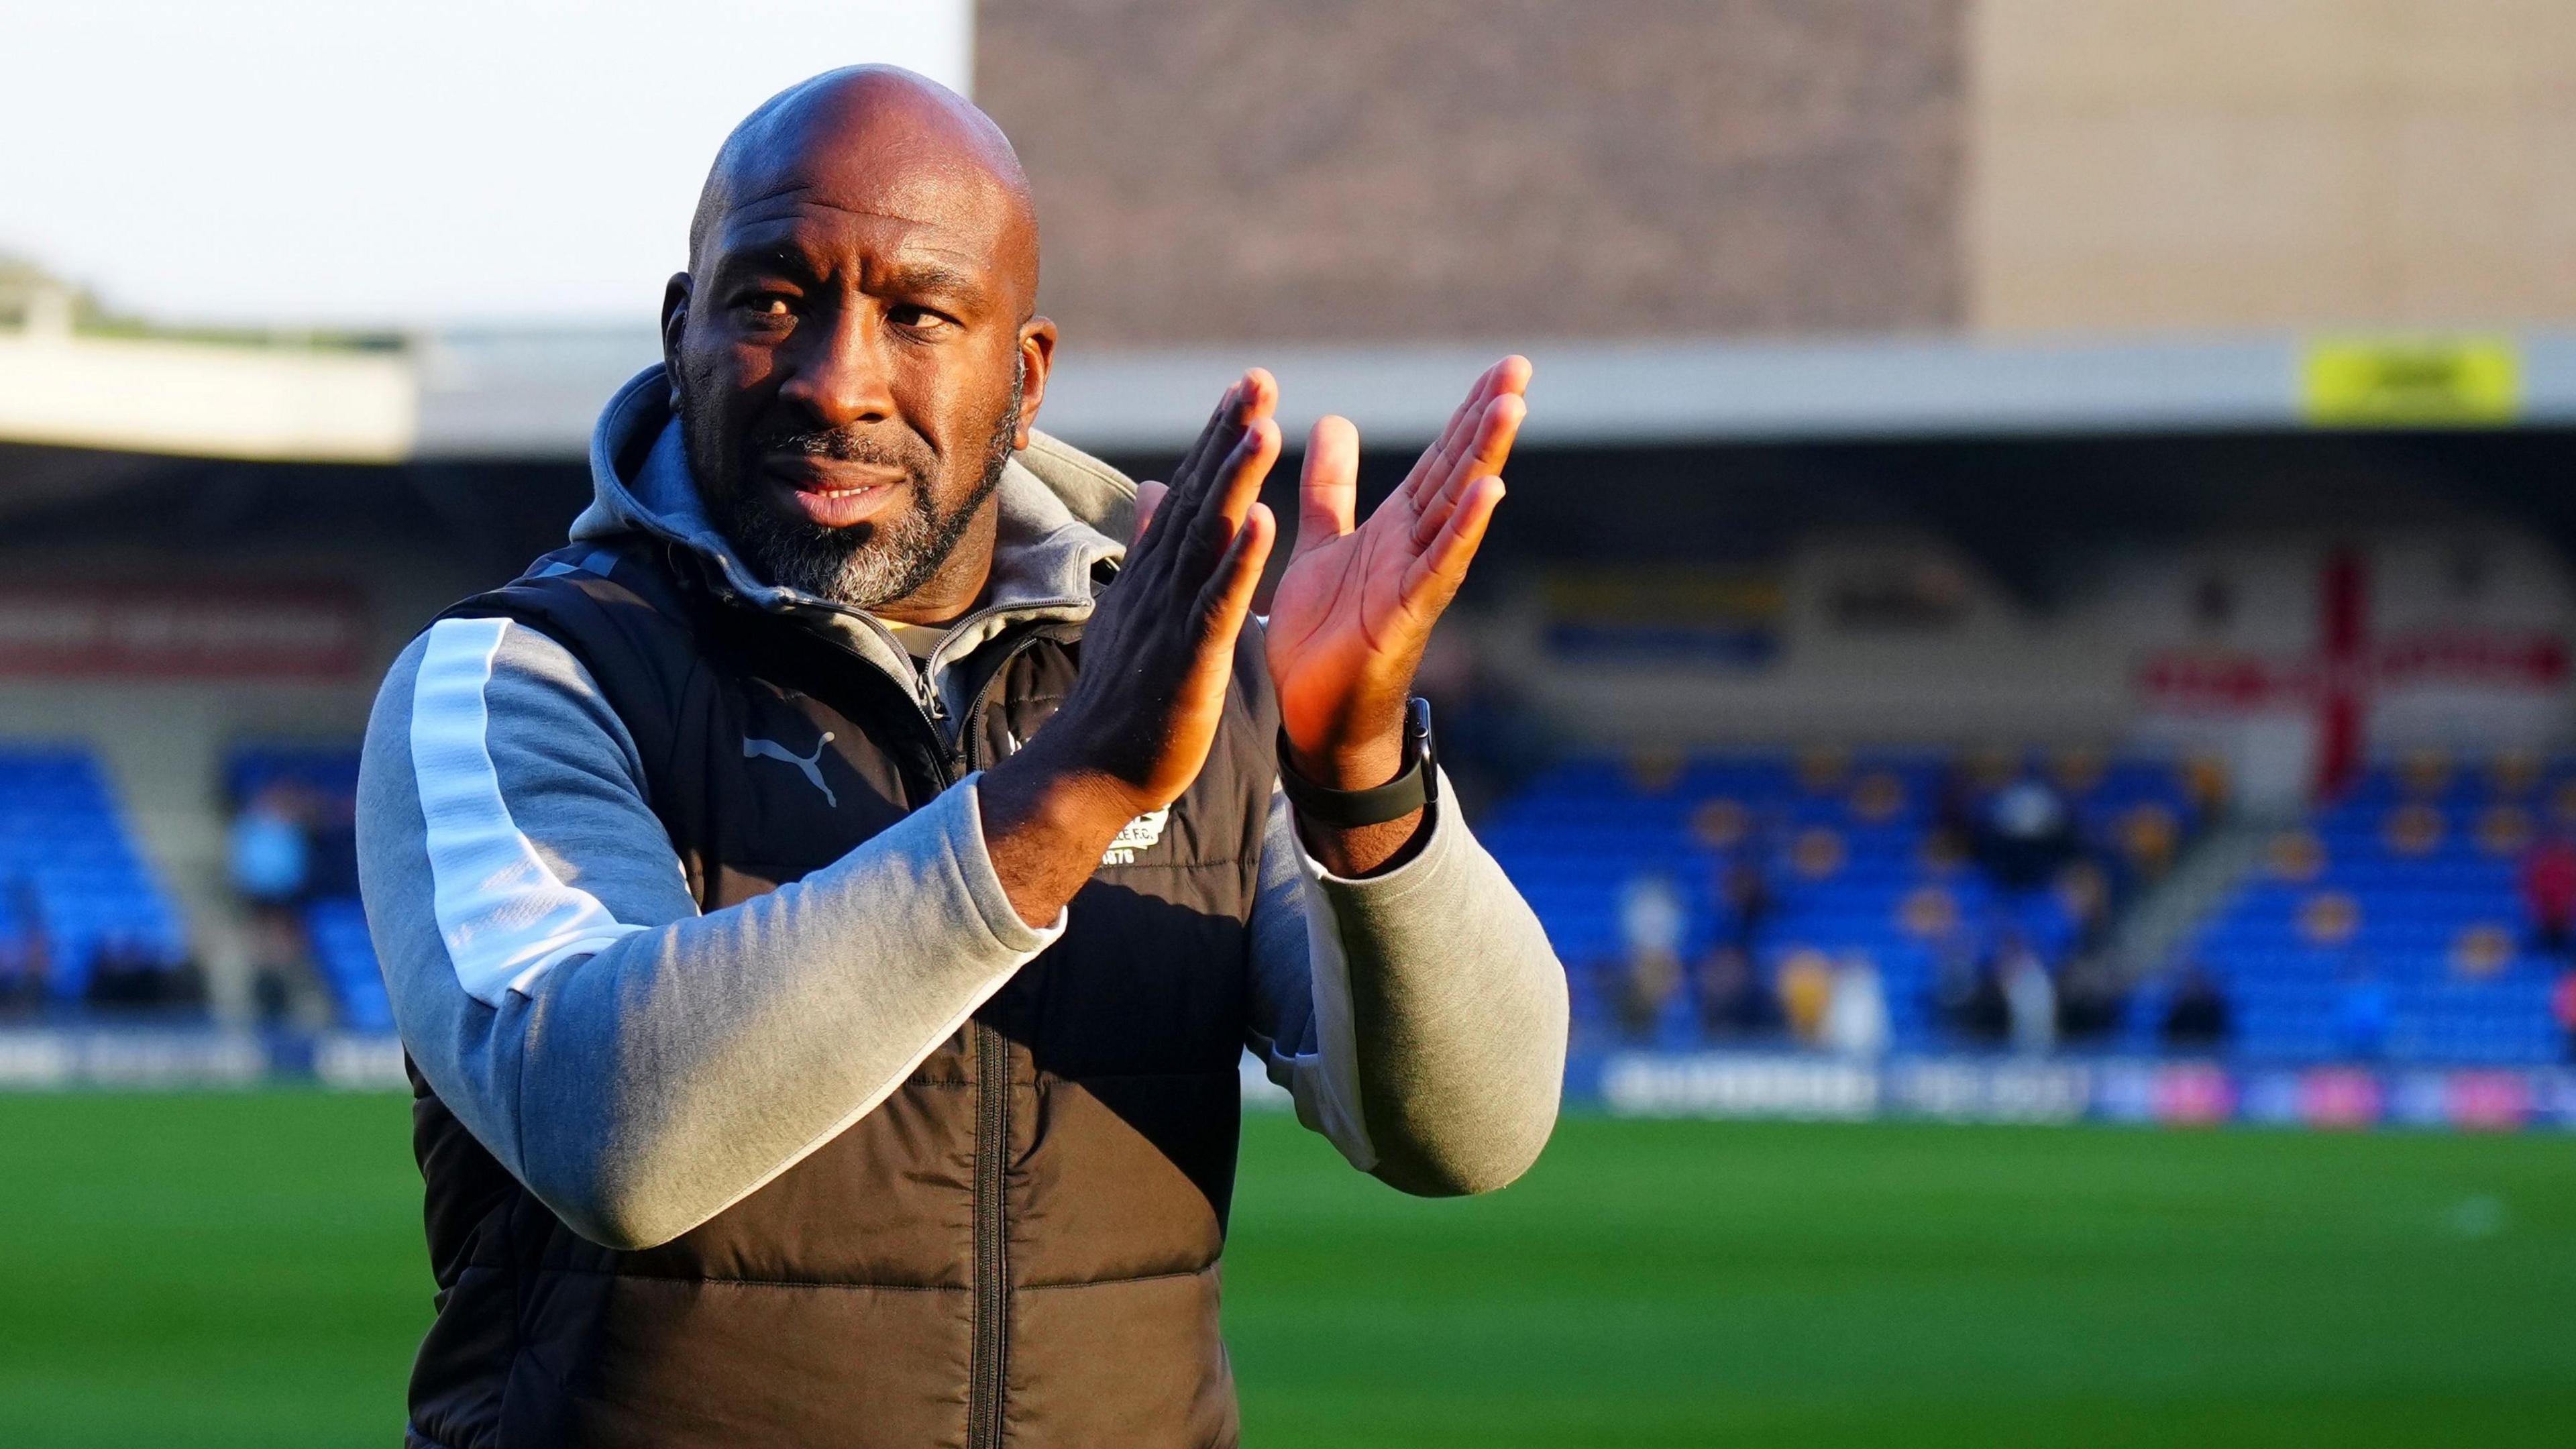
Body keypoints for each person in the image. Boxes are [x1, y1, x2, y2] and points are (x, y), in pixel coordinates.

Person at [354, 68, 1566, 1449]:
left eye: (918, 313)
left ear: (1025, 372)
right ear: (682, 329)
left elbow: (1468, 1133)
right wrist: (1068, 799)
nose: (838, 381)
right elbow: (607, 1136)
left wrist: (1356, 772)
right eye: (769, 303)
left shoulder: (1194, 678)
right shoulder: (521, 680)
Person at [2520, 829, 2576, 957]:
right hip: (2544, 915)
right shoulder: (2542, 866)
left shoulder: (2569, 867)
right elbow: (2531, 887)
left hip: (2565, 916)